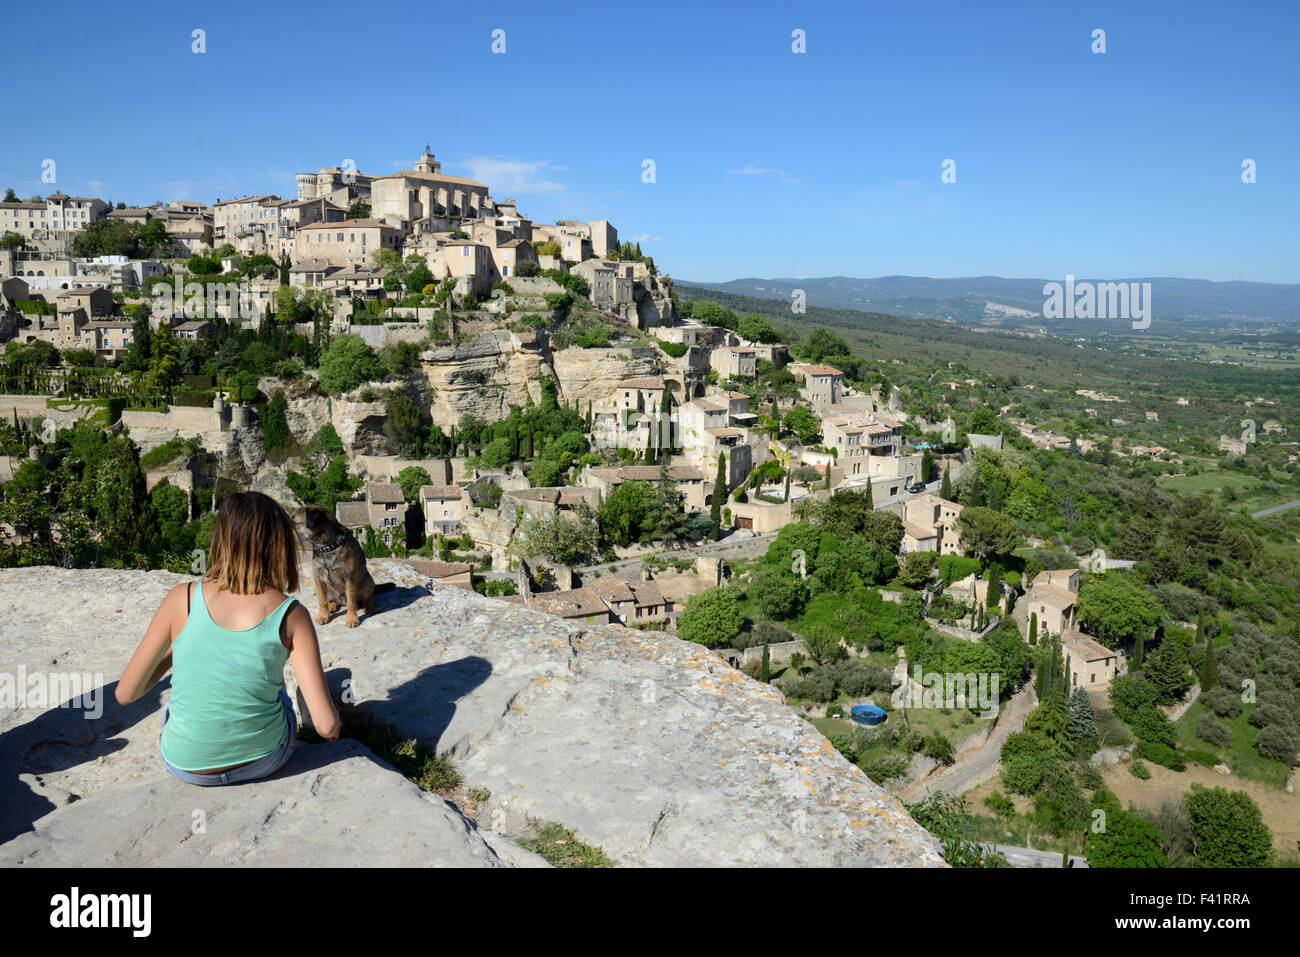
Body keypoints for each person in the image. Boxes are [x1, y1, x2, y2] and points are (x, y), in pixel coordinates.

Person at [116, 491, 342, 786]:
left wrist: (177, 651)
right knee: (281, 692)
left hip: (184, 765)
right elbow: (325, 725)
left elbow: (125, 694)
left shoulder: (180, 598)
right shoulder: (292, 614)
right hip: (264, 760)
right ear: (279, 546)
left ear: (221, 541)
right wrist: (337, 726)